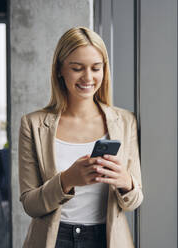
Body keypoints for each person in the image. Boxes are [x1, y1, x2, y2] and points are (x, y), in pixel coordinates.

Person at [18, 26, 143, 248]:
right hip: (54, 239)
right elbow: (30, 205)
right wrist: (67, 180)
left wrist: (125, 182)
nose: (88, 77)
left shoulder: (125, 121)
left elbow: (134, 201)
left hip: (106, 239)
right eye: (77, 68)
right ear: (59, 70)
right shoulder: (33, 124)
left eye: (96, 68)